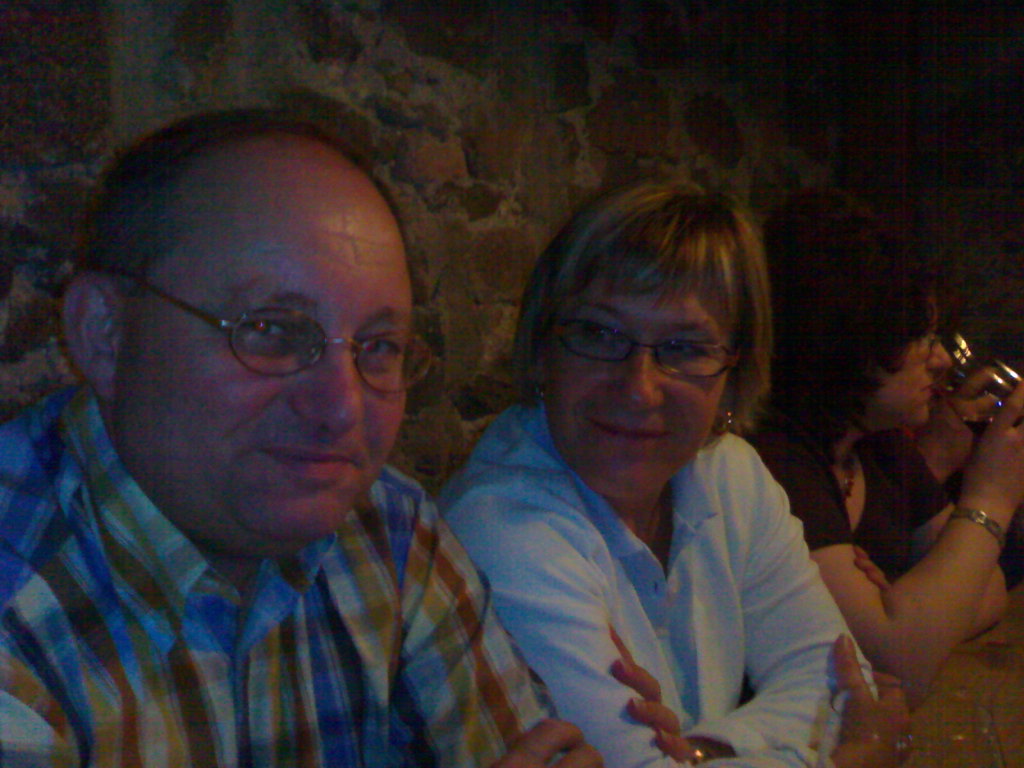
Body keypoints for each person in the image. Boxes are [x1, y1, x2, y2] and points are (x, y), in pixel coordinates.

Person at [0, 109, 603, 768]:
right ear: (105, 334)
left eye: (379, 346)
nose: (342, 408)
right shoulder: (18, 599)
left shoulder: (391, 532)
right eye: (271, 330)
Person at [440, 180, 908, 767]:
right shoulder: (500, 529)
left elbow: (841, 684)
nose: (639, 388)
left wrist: (702, 751)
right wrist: (844, 759)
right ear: (541, 350)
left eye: (685, 348)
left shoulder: (729, 472)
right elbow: (850, 723)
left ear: (734, 376)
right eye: (599, 333)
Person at [749, 188, 1024, 709]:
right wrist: (993, 495)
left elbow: (988, 587)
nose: (942, 360)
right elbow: (899, 665)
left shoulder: (877, 444)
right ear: (850, 341)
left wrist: (904, 605)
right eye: (919, 336)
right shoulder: (775, 461)